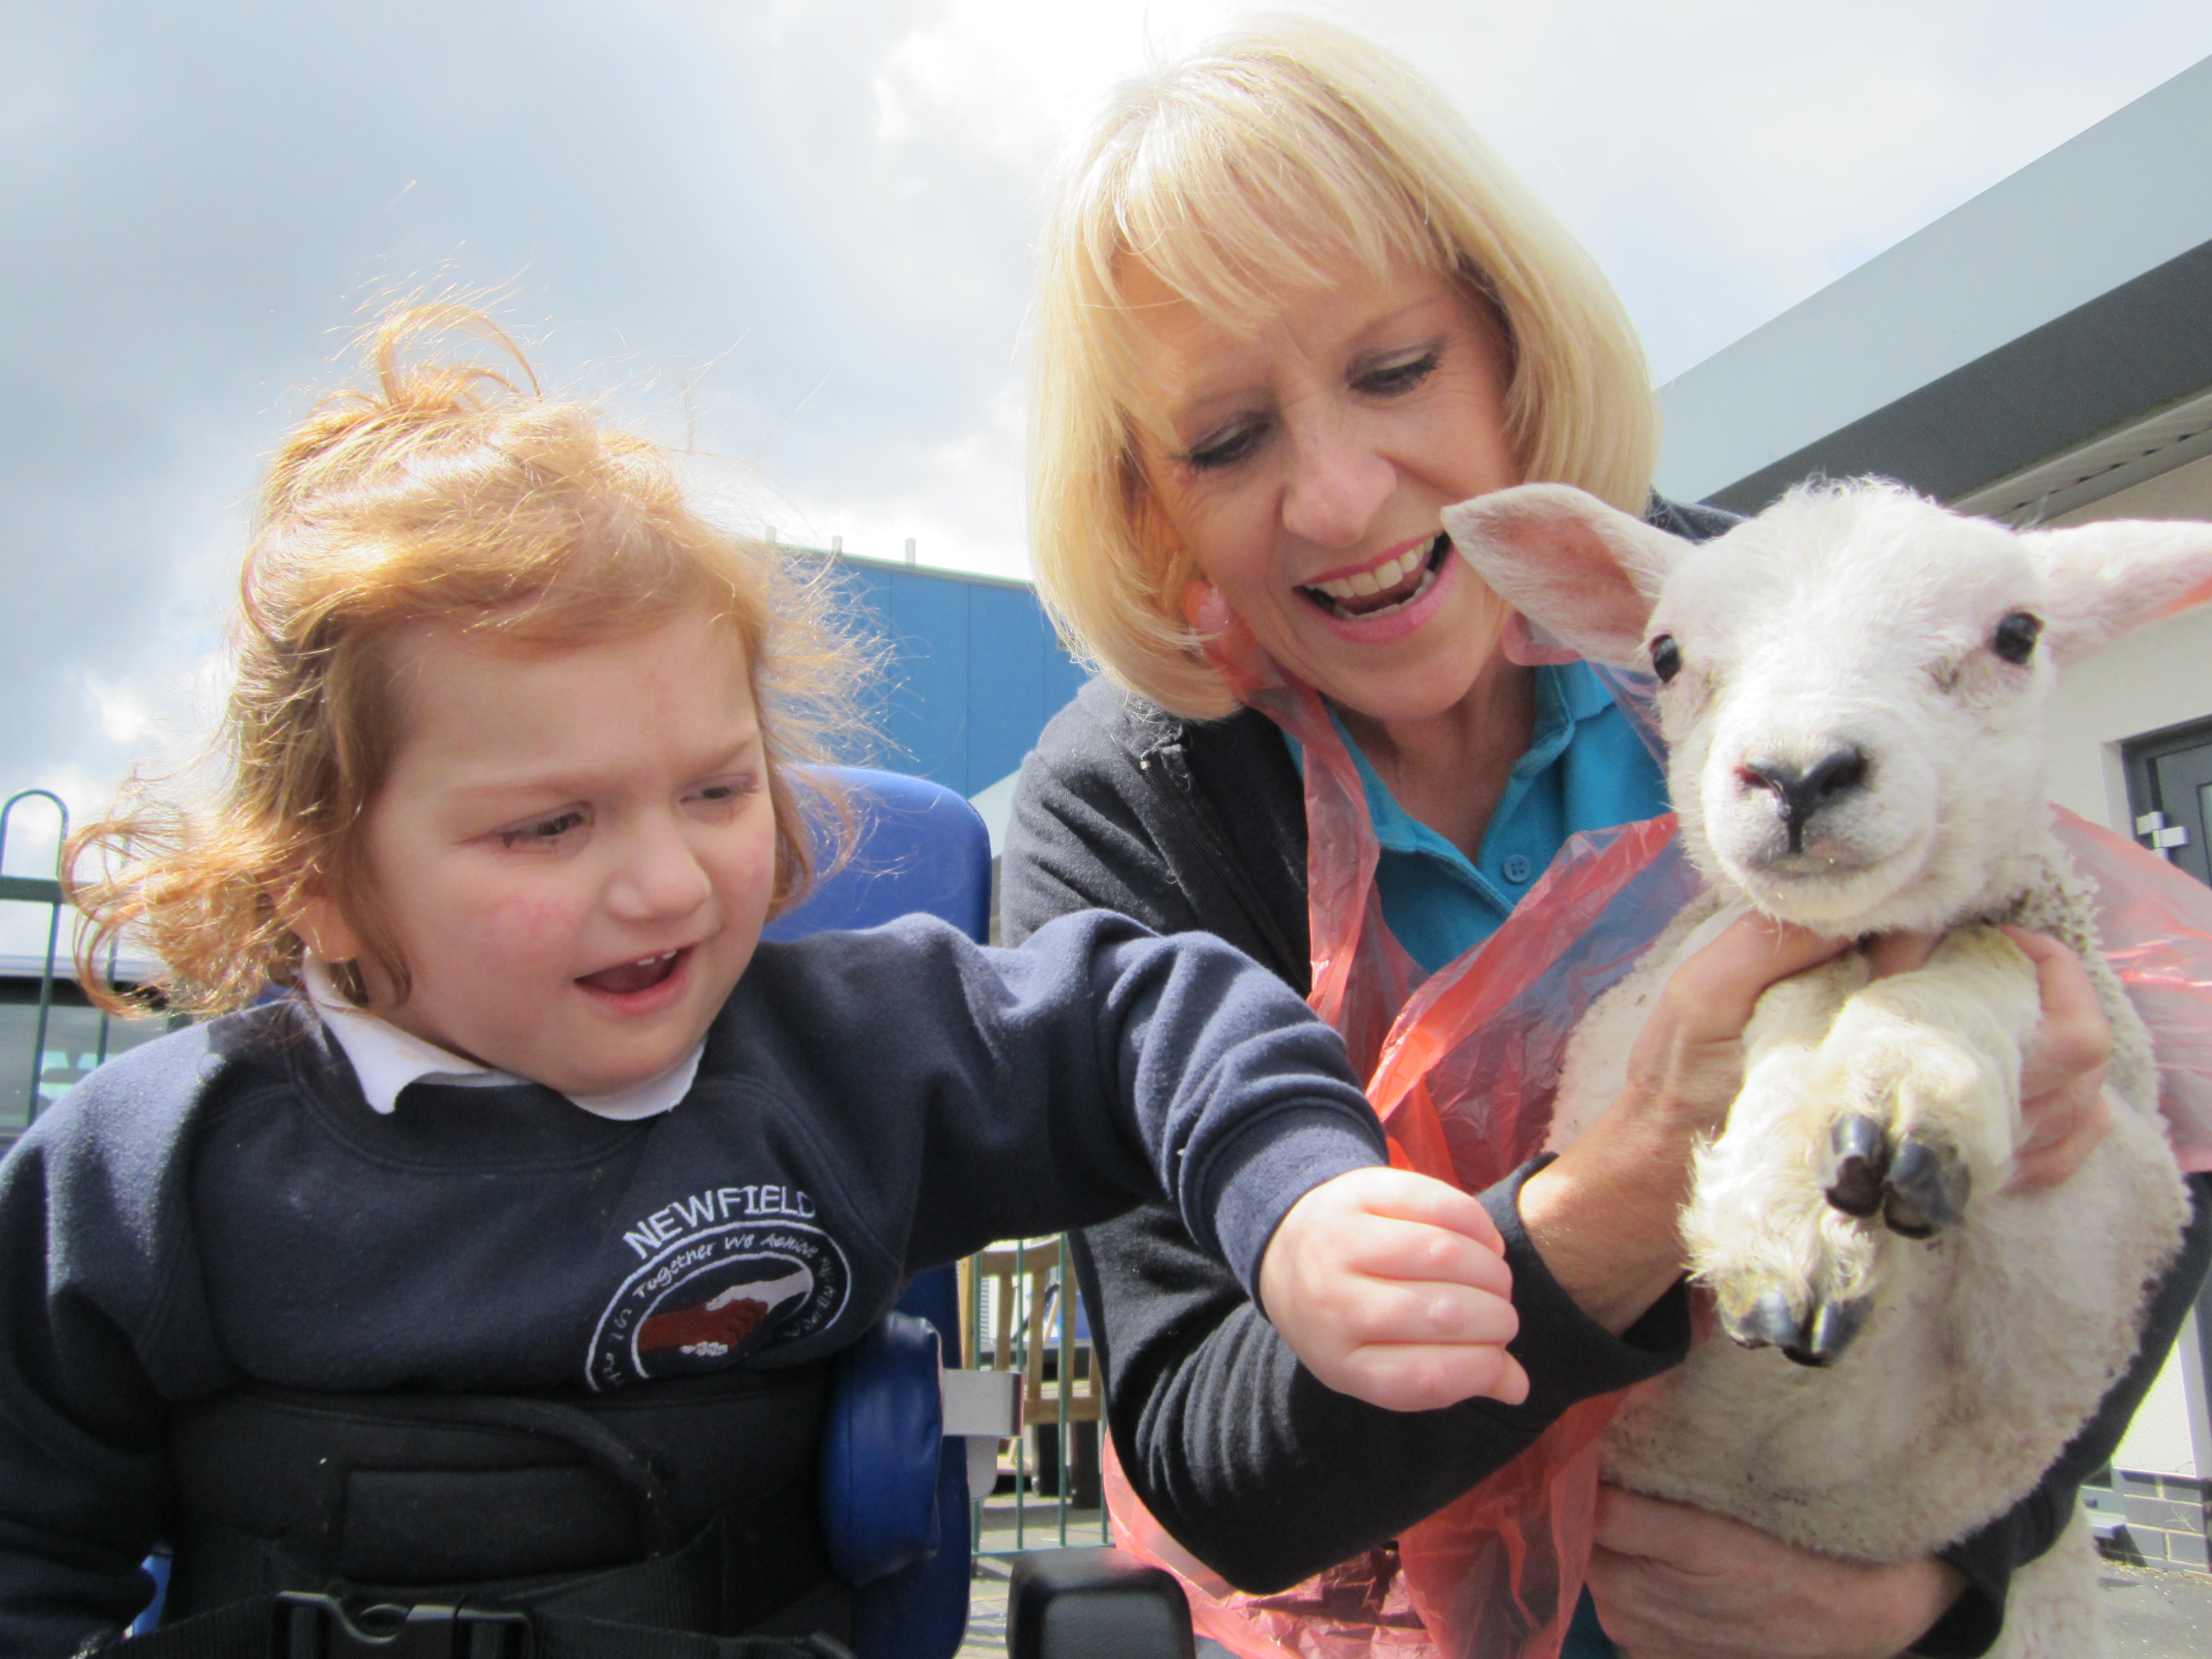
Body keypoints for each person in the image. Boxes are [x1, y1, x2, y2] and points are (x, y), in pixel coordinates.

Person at [0, 305, 1532, 1658]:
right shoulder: (150, 1175)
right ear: (322, 877)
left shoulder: (842, 1059)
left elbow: (1149, 1016)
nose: (665, 880)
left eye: (719, 792)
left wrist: (1303, 1206)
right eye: (551, 824)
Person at [1002, 19, 2212, 1659]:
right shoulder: (1131, 807)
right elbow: (1213, 1450)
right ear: (1146, 500)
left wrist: (1937, 1588)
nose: (1345, 498)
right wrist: (1642, 1179)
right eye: (1227, 442)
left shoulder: (1776, 633)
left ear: (1505, 338)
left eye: (1395, 368)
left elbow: (2156, 1153)